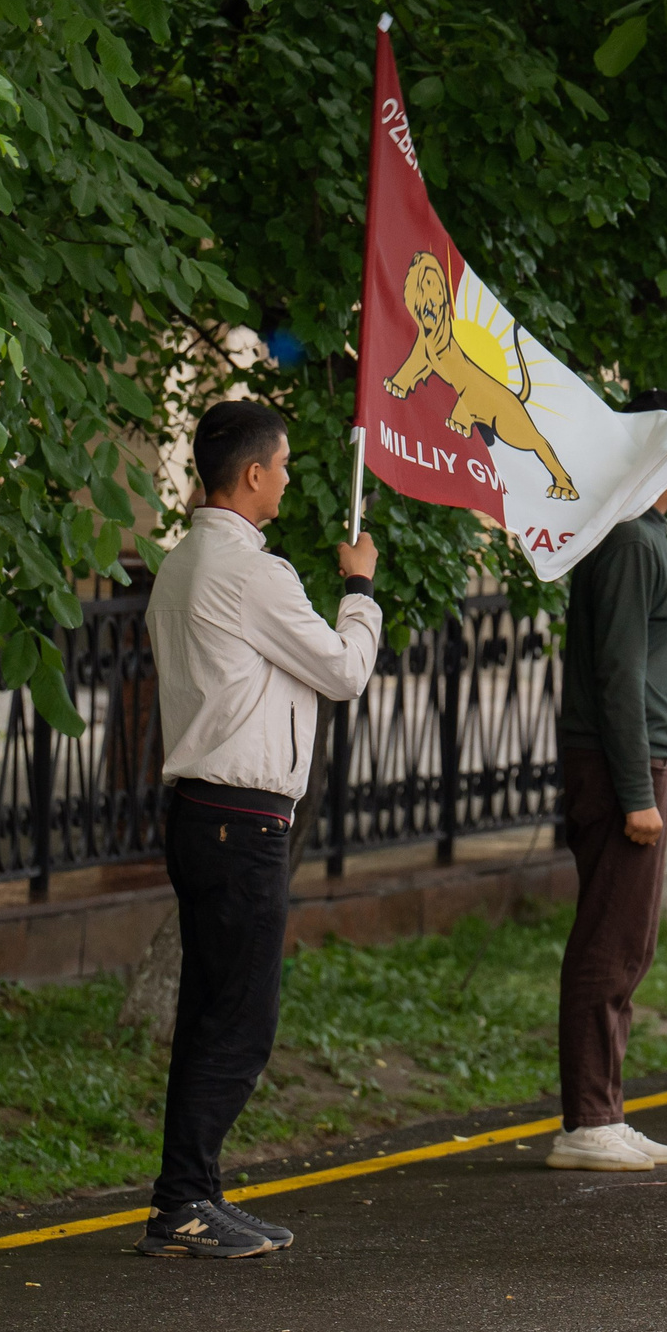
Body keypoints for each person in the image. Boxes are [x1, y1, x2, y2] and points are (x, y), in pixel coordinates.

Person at [138, 402, 381, 1257]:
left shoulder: (178, 566)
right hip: (243, 820)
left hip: (203, 814)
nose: (286, 478)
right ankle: (182, 1201)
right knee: (241, 1020)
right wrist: (359, 587)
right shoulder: (256, 573)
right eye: (281, 465)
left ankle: (192, 1193)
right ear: (251, 475)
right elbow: (345, 670)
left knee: (211, 1011)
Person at [546, 390, 667, 1172]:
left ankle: (604, 1109)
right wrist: (638, 793)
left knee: (626, 941)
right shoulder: (630, 542)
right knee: (610, 942)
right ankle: (586, 1119)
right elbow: (618, 677)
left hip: (638, 760)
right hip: (625, 765)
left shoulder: (643, 536)